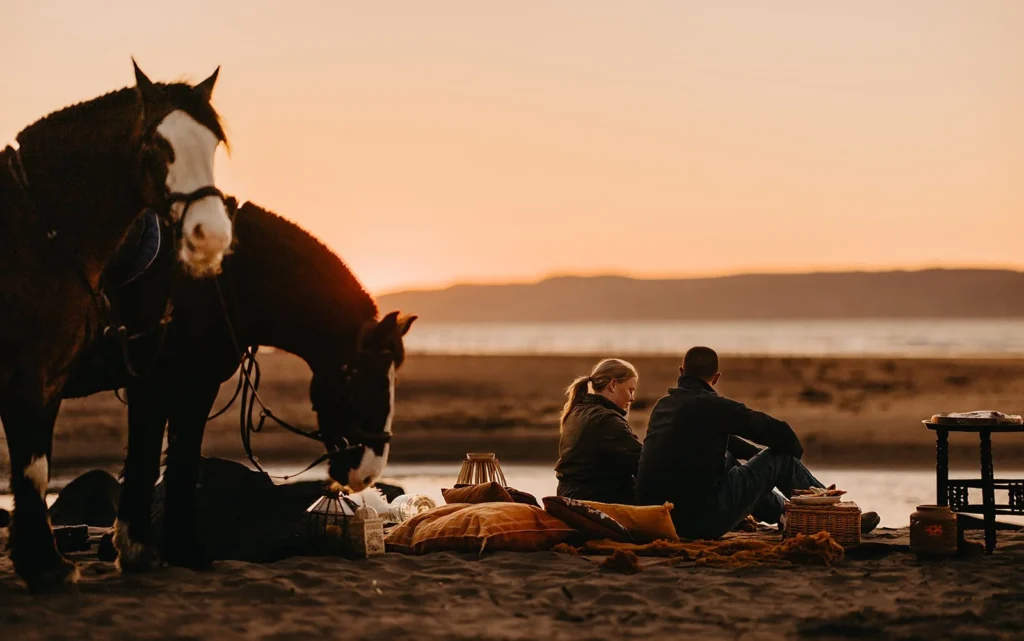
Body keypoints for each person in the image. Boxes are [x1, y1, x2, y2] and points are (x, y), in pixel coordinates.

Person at [636, 346, 880, 539]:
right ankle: (837, 518)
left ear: (681, 373)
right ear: (716, 378)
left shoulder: (663, 407)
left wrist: (758, 461)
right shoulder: (710, 405)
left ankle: (786, 514)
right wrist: (790, 454)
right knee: (779, 460)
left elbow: (728, 441)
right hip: (698, 522)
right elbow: (772, 429)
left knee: (732, 463)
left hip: (660, 520)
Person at [554, 358, 642, 505]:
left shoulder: (576, 411)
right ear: (613, 385)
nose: (632, 398)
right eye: (630, 390)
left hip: (569, 495)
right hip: (595, 499)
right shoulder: (606, 420)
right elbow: (641, 462)